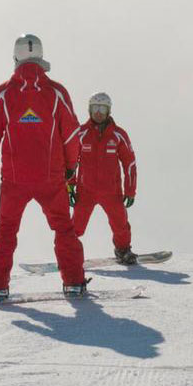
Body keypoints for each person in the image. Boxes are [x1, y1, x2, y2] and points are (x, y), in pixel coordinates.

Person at [0, 33, 86, 300]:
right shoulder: (57, 92)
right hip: (51, 178)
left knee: (6, 231)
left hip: (14, 180)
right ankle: (73, 283)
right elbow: (71, 135)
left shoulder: (3, 93)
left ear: (15, 58)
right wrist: (71, 167)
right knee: (64, 229)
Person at [69, 91, 138, 264]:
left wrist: (130, 191)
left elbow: (129, 163)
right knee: (75, 226)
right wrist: (69, 188)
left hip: (111, 191)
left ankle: (123, 251)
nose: (98, 112)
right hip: (85, 191)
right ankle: (68, 253)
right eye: (95, 108)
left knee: (120, 224)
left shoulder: (118, 135)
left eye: (102, 108)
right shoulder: (80, 133)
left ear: (108, 111)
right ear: (89, 110)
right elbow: (69, 163)